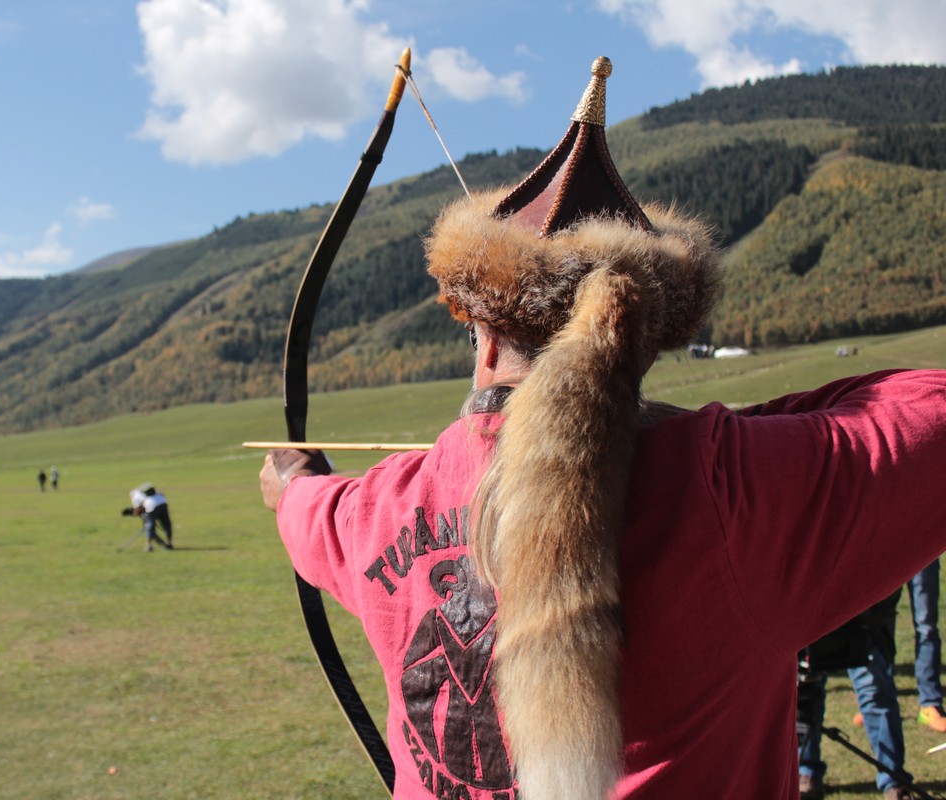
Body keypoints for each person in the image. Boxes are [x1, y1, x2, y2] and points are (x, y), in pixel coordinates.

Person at [258, 57, 946, 800]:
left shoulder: (379, 507)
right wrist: (722, 434)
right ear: (640, 343)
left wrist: (294, 476)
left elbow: (300, 503)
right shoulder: (735, 489)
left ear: (484, 336)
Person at [798, 592, 912, 800]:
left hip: (862, 614)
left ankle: (894, 780)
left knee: (876, 693)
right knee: (805, 690)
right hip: (811, 609)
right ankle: (806, 772)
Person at [909, 559, 946, 732]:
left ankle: (930, 703)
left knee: (926, 627)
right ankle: (876, 703)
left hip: (921, 551)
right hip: (885, 549)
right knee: (879, 627)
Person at [127, 483, 172, 551]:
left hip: (152, 506)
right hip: (163, 502)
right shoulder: (143, 490)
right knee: (166, 524)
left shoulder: (134, 496)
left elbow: (136, 511)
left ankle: (149, 546)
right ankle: (169, 543)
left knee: (149, 527)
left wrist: (133, 514)